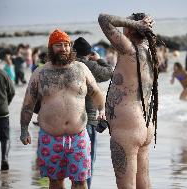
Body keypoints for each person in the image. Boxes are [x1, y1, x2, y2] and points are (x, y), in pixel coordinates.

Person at [19, 29, 106, 189]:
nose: (64, 48)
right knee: (55, 182)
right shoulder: (40, 73)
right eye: (59, 45)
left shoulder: (81, 68)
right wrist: (24, 129)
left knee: (80, 182)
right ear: (51, 48)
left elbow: (96, 92)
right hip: (50, 138)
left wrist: (101, 110)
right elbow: (28, 104)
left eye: (67, 45)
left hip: (79, 137)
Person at [98, 13, 159, 188]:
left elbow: (103, 19)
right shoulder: (149, 52)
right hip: (145, 125)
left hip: (128, 128)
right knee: (143, 180)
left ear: (132, 28)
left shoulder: (128, 49)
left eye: (127, 25)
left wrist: (135, 24)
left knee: (126, 185)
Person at [73, 36, 113, 188]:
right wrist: (100, 59)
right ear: (89, 54)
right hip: (88, 121)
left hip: (67, 120)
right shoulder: (90, 66)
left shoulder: (67, 65)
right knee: (87, 160)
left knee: (71, 160)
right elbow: (111, 72)